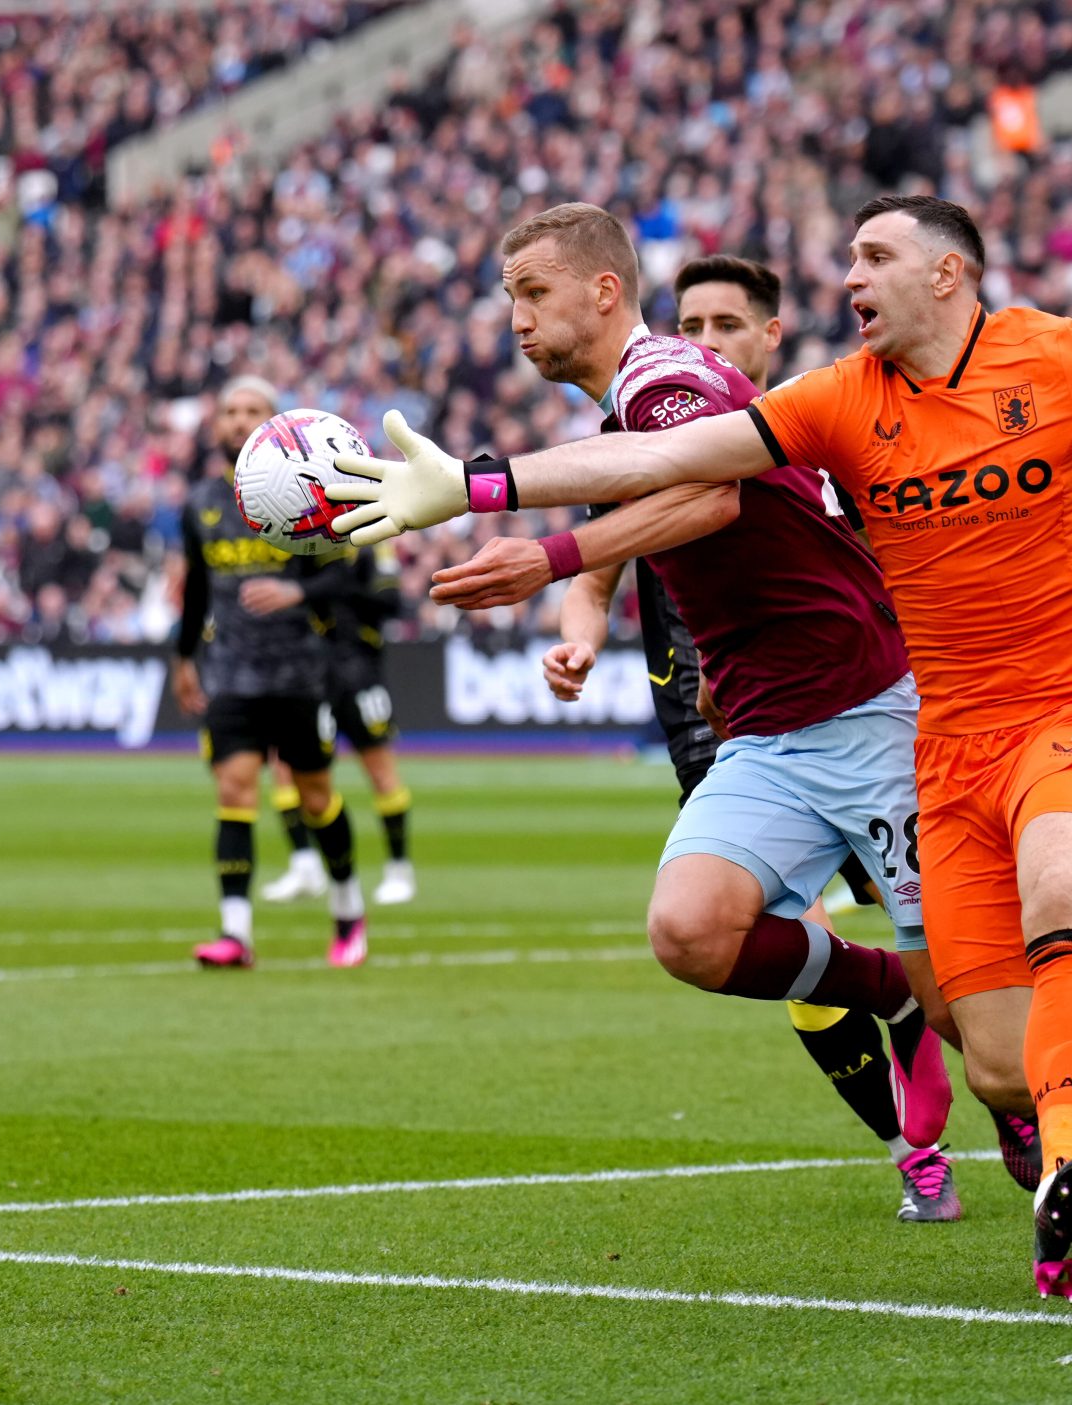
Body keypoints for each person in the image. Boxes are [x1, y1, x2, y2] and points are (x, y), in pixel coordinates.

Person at [331, 196, 1072, 1299]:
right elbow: (676, 466)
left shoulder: (1046, 354)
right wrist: (481, 492)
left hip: (994, 708)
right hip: (900, 739)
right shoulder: (835, 398)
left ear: (946, 274)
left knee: (1053, 893)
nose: (848, 275)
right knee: (969, 1049)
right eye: (846, 255)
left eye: (873, 255)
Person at [409, 210, 961, 1222]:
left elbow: (710, 501)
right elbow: (636, 527)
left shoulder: (665, 383)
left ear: (605, 292)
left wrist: (539, 553)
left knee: (988, 1040)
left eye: (533, 294)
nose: (517, 319)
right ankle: (897, 1029)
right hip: (756, 719)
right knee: (695, 931)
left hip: (861, 704)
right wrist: (595, 616)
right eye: (510, 299)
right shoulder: (633, 409)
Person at [171, 377, 368, 969]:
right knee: (234, 791)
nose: (237, 420)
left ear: (273, 422)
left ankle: (347, 909)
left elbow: (347, 577)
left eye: (251, 410)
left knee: (315, 798)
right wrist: (183, 659)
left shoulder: (310, 494)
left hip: (299, 674)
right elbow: (196, 591)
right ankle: (235, 933)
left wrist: (293, 592)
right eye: (229, 410)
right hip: (230, 674)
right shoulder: (201, 501)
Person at [262, 542, 417, 906]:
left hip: (358, 671)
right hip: (308, 672)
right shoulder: (303, 539)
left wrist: (336, 585)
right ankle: (304, 864)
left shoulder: (375, 543)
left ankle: (399, 870)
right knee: (284, 766)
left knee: (379, 770)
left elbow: (392, 602)